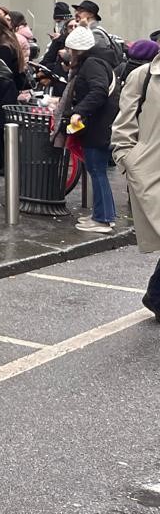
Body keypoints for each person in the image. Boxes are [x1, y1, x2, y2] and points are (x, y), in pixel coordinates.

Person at [113, 51, 160, 319]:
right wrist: (128, 160)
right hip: (152, 171)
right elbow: (124, 125)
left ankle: (156, 296)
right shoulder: (144, 76)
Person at [61, 25, 119, 235]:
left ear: (77, 50)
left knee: (97, 170)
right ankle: (104, 214)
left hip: (97, 125)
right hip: (102, 124)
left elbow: (98, 91)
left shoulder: (92, 64)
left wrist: (79, 111)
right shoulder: (100, 61)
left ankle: (102, 219)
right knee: (98, 170)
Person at [0, 11, 27, 173]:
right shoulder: (10, 42)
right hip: (9, 91)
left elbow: (1, 72)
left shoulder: (3, 47)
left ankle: (0, 162)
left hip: (2, 92)